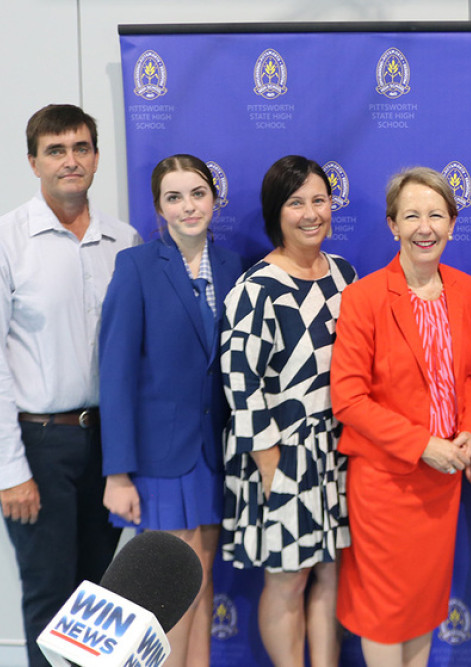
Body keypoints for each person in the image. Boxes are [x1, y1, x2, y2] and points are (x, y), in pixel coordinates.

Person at [0, 104, 140, 666]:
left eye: (81, 148)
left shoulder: (123, 240)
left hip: (108, 443)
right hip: (40, 446)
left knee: (100, 600)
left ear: (97, 158)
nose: (70, 161)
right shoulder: (11, 239)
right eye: (55, 150)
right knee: (49, 599)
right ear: (33, 161)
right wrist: (10, 471)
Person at [330, 167, 471, 667]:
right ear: (392, 225)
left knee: (423, 606)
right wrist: (423, 445)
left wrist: (469, 433)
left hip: (443, 481)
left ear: (453, 224)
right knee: (383, 610)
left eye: (436, 215)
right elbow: (349, 400)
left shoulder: (465, 291)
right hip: (386, 484)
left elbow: (470, 378)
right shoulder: (365, 297)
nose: (425, 227)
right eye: (411, 215)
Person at [99, 154, 242, 665]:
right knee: (166, 601)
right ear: (159, 209)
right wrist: (117, 473)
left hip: (214, 455)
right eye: (174, 197)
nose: (188, 206)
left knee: (200, 586)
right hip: (161, 460)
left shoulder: (231, 265)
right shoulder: (136, 266)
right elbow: (114, 375)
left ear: (214, 199)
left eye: (198, 194)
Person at [220, 155, 356, 667]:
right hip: (279, 452)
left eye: (318, 201)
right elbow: (241, 381)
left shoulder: (344, 274)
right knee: (288, 578)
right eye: (296, 203)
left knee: (330, 570)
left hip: (336, 448)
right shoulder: (255, 289)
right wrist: (268, 460)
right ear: (276, 213)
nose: (309, 213)